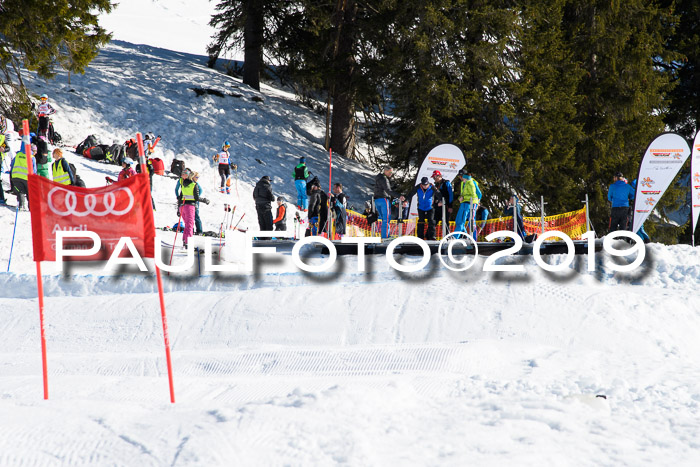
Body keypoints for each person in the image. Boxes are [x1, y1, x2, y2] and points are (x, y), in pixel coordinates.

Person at [373, 166, 404, 239]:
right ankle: (386, 236)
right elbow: (388, 190)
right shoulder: (384, 179)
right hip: (383, 199)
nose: (391, 174)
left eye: (392, 172)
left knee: (382, 218)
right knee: (386, 219)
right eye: (390, 172)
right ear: (385, 171)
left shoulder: (379, 178)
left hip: (377, 200)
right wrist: (399, 196)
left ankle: (382, 235)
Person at [177, 168, 202, 249]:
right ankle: (188, 243)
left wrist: (178, 209)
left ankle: (185, 240)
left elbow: (180, 197)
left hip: (182, 206)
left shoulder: (183, 185)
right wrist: (204, 200)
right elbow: (197, 197)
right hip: (190, 207)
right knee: (190, 225)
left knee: (187, 225)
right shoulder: (194, 185)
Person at [10, 142, 37, 211]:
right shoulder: (32, 157)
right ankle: (31, 208)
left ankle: (21, 205)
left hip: (16, 176)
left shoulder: (18, 154)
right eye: (35, 151)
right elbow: (34, 170)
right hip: (27, 178)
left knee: (20, 191)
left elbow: (12, 164)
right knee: (29, 193)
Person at [454, 171, 482, 237]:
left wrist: (477, 203)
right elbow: (463, 194)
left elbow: (477, 194)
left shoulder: (472, 182)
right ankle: (466, 236)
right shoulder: (463, 183)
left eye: (461, 176)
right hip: (464, 203)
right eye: (459, 177)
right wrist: (460, 198)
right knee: (460, 220)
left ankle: (473, 238)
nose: (460, 178)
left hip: (471, 203)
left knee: (470, 221)